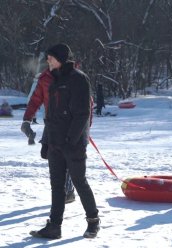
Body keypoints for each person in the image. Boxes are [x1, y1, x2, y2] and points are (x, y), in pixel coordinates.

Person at [30, 43, 100, 239]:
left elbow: (82, 114)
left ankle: (93, 221)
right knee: (57, 186)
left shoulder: (78, 79)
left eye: (51, 57)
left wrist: (71, 140)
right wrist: (46, 142)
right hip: (54, 144)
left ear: (60, 58)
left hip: (73, 144)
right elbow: (51, 116)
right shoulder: (54, 80)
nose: (48, 61)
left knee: (79, 181)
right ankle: (54, 226)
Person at [21, 66, 76, 203]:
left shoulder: (76, 77)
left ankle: (68, 191)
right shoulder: (45, 79)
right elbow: (35, 101)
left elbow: (86, 106)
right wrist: (26, 120)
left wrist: (83, 129)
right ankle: (60, 190)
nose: (49, 61)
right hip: (51, 125)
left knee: (68, 158)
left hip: (70, 127)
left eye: (52, 57)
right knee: (49, 156)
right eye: (48, 58)